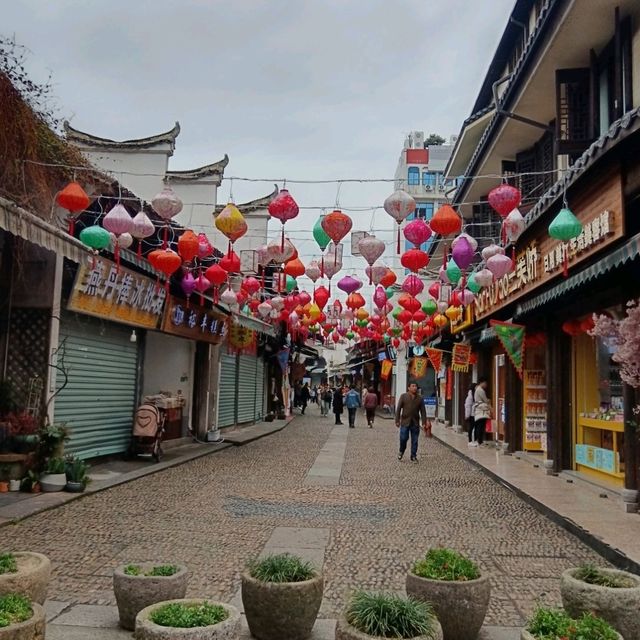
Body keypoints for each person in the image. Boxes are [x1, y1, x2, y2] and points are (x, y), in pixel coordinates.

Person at [395, 382, 427, 463]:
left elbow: (423, 411)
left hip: (415, 422)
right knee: (403, 438)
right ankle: (401, 451)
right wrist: (397, 420)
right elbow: (398, 409)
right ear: (409, 388)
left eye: (416, 386)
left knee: (415, 440)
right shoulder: (404, 396)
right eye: (412, 386)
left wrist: (424, 422)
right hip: (405, 422)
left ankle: (413, 456)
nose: (414, 388)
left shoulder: (420, 398)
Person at [473, 378, 493, 446]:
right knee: (481, 425)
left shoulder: (477, 389)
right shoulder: (480, 390)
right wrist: (490, 406)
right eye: (485, 383)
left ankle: (479, 440)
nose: (486, 385)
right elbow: (485, 400)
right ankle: (480, 441)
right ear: (482, 382)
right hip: (482, 411)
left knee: (479, 425)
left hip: (479, 410)